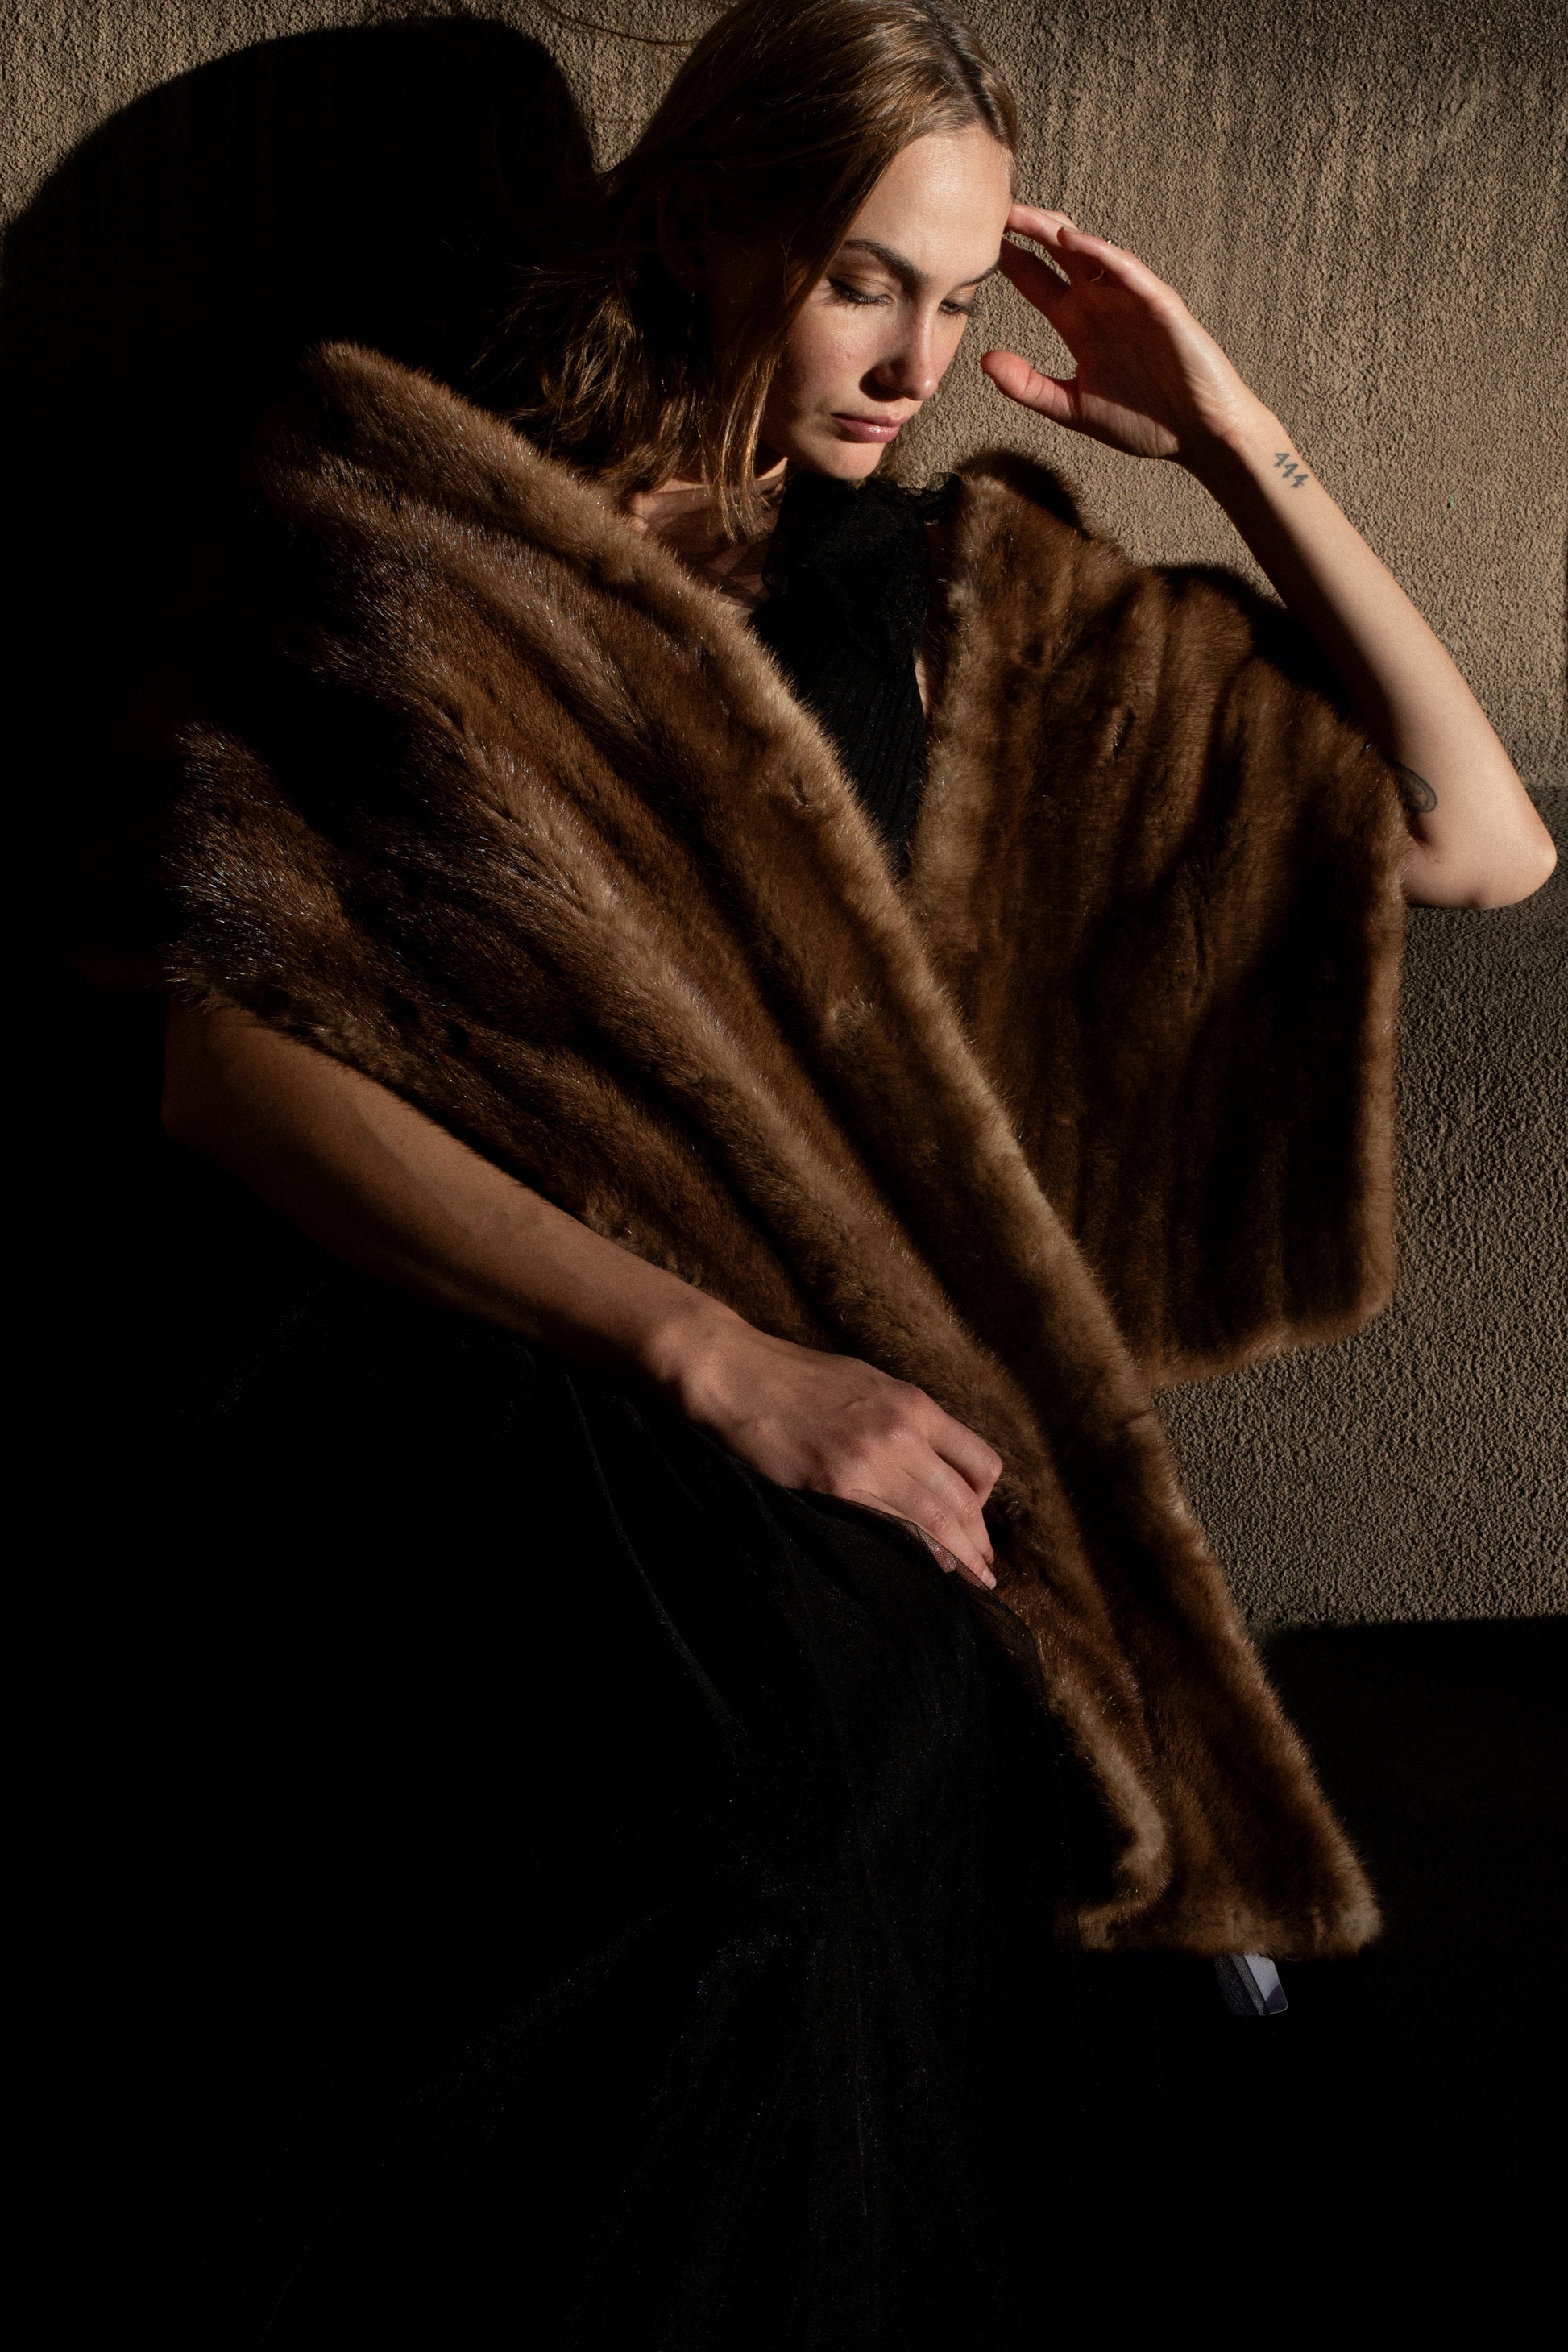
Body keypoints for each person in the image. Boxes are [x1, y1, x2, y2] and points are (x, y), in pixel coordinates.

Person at [139, 2, 1551, 2342]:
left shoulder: (946, 601)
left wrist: (1226, 432)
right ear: (704, 224)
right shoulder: (402, 539)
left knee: (878, 1758)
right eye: (863, 279)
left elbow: (1473, 839)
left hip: (837, 1393)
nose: (915, 362)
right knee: (727, 1821)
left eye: (960, 297)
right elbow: (225, 1069)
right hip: (469, 1362)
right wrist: (712, 1359)